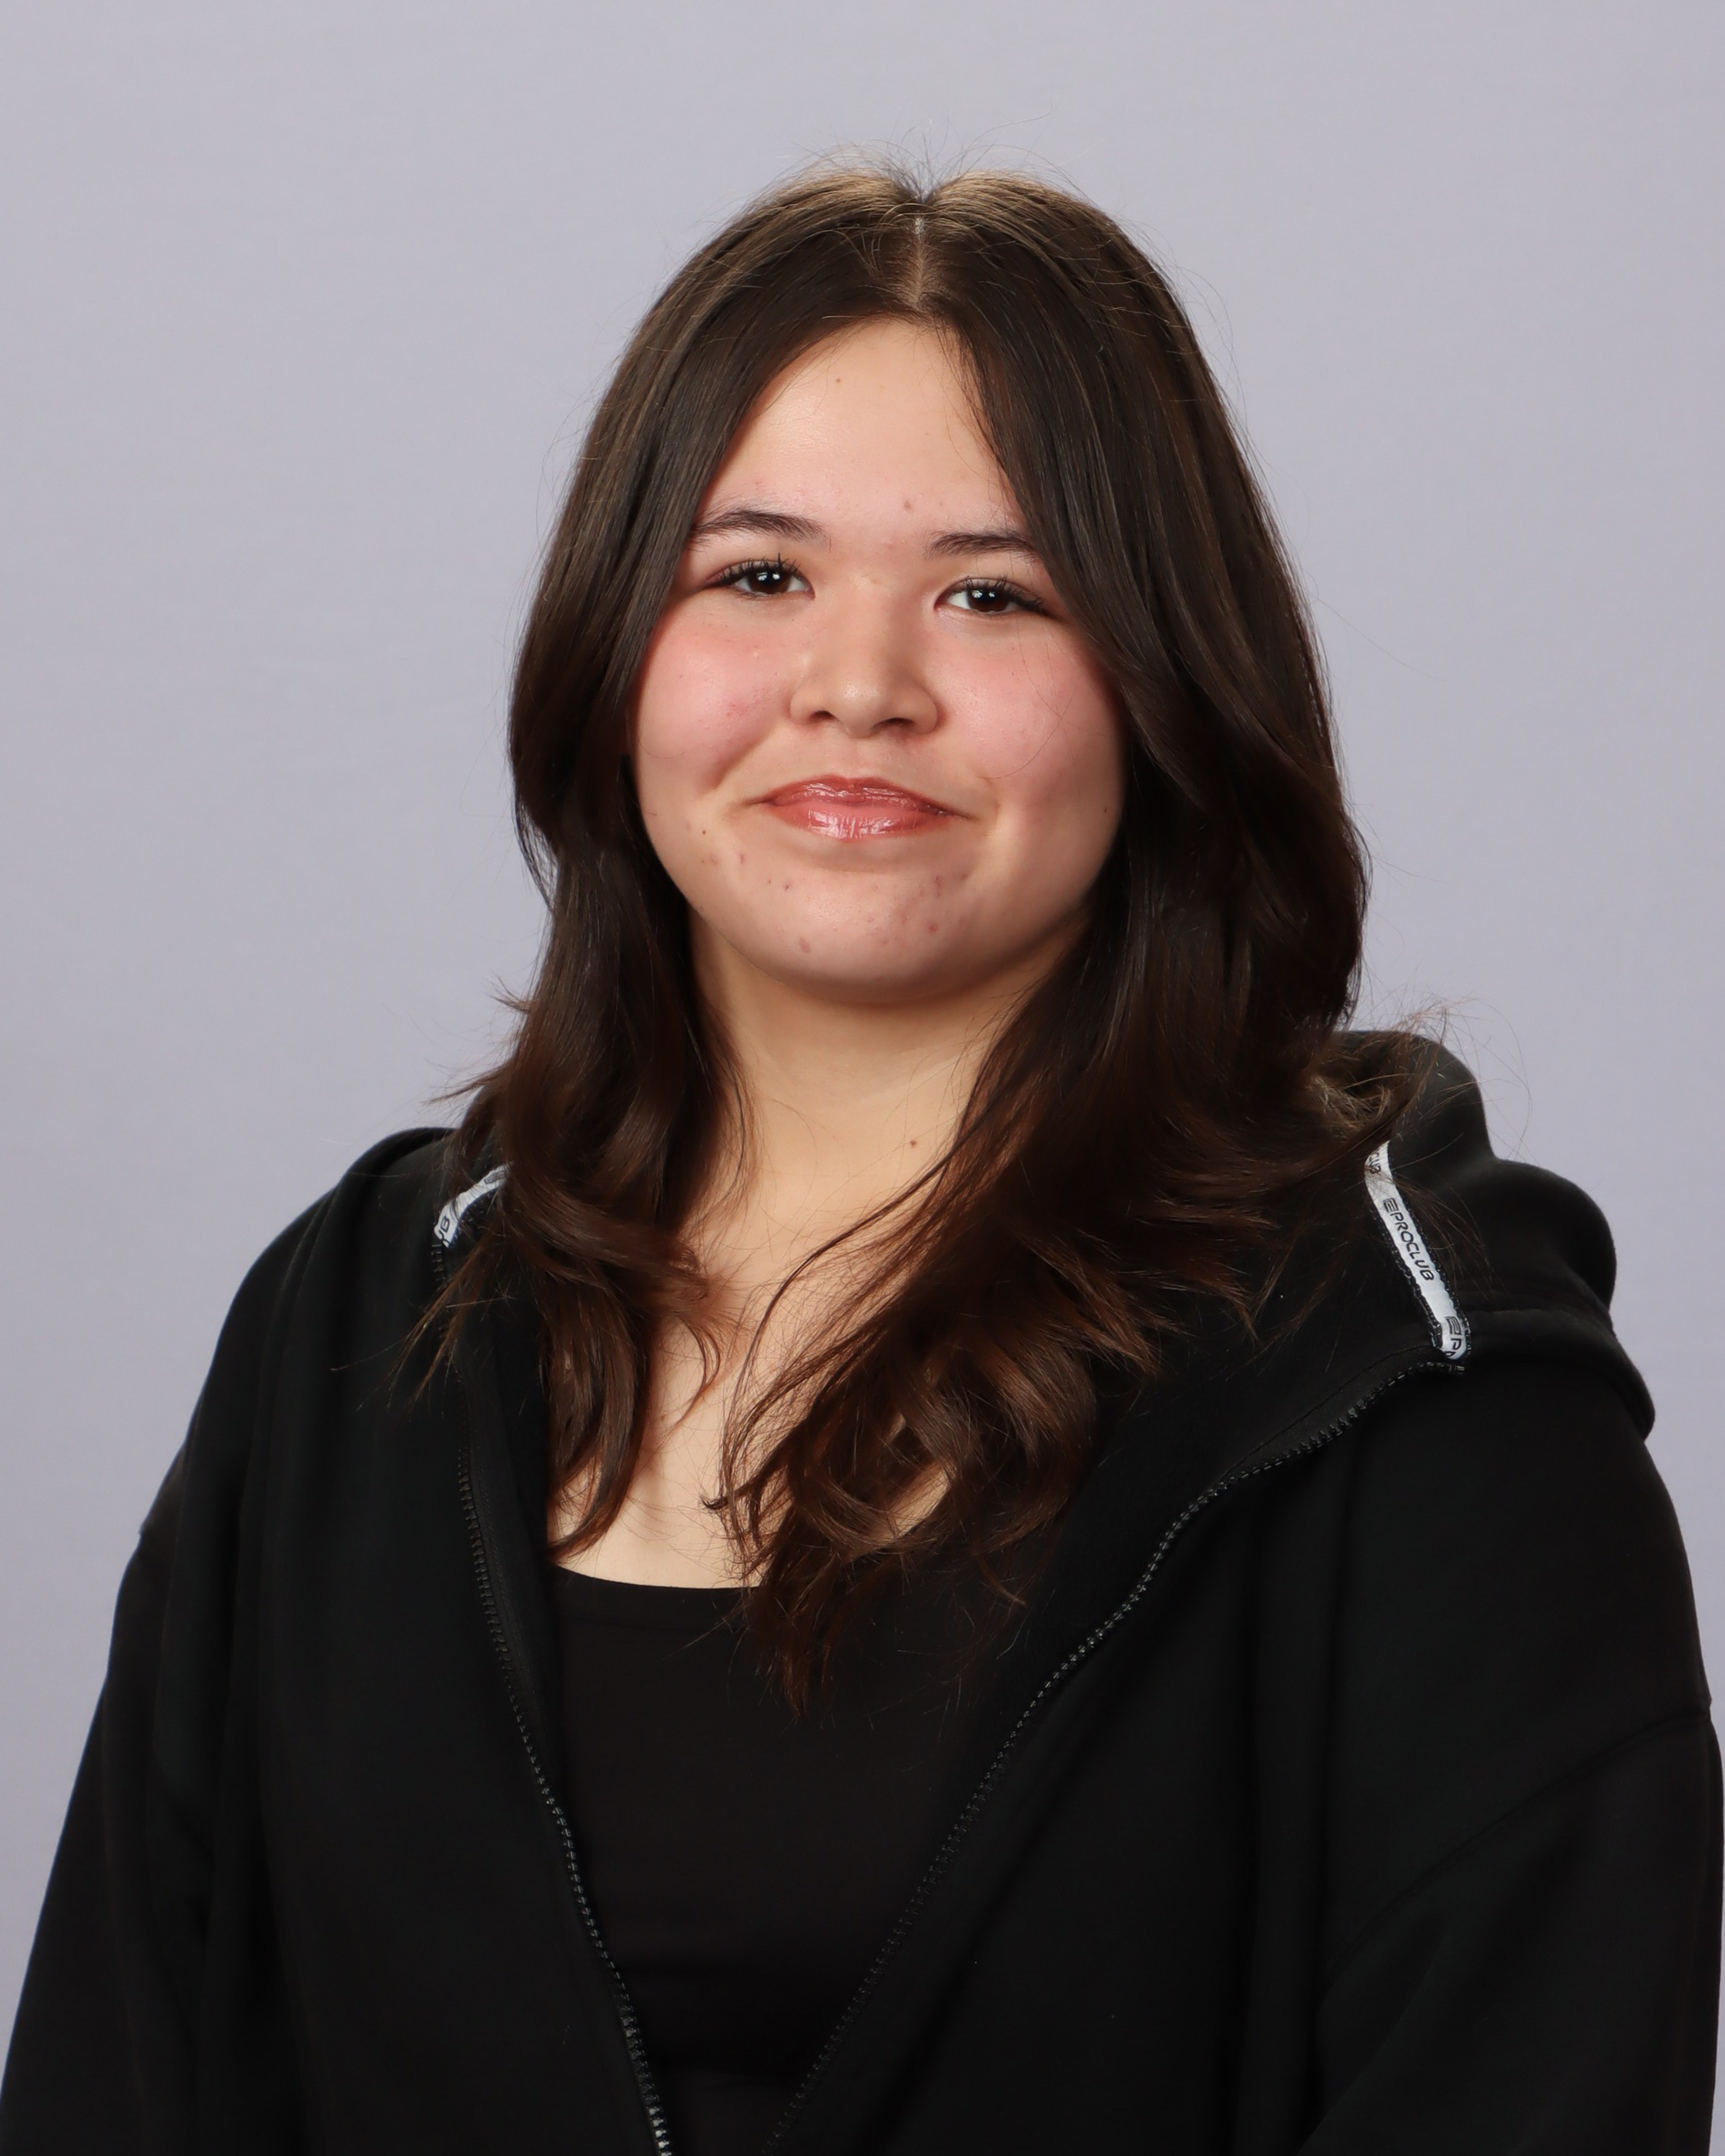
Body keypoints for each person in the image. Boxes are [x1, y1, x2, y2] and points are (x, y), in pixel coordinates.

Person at [0, 163, 1716, 2156]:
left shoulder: (1418, 1390)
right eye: (757, 576)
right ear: (614, 648)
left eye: (996, 594)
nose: (860, 685)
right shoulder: (360, 1324)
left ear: (1162, 685)